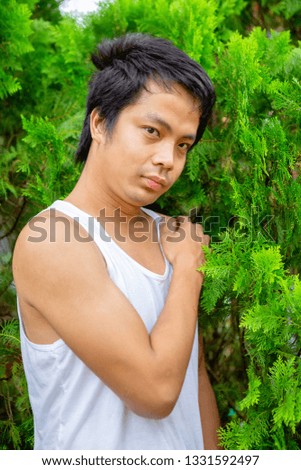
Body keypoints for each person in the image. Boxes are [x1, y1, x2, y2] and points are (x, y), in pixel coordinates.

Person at [12, 33, 220, 450]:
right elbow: (156, 392)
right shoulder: (53, 240)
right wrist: (188, 270)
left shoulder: (172, 237)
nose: (169, 159)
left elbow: (192, 380)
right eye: (151, 131)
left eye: (183, 145)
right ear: (100, 123)